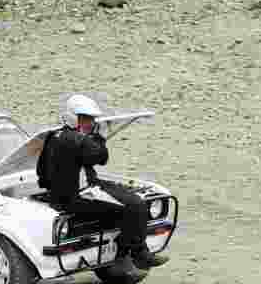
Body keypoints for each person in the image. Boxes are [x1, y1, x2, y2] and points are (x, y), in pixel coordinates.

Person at [36, 94, 169, 272]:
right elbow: (101, 157)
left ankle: (124, 252)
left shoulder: (53, 137)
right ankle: (134, 254)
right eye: (86, 119)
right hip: (78, 196)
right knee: (136, 204)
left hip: (66, 194)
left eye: (91, 119)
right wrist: (99, 137)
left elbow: (41, 171)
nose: (90, 123)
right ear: (74, 118)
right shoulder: (77, 139)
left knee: (124, 198)